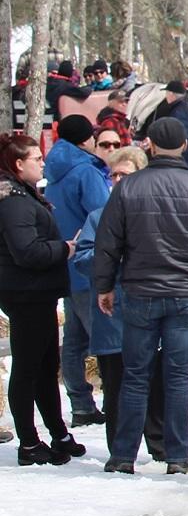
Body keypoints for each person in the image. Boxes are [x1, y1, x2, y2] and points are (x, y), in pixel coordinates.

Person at [93, 116, 188, 474]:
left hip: (141, 292)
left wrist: (105, 286)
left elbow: (108, 244)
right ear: (185, 146)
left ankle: (123, 455)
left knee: (135, 375)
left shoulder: (128, 188)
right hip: (186, 294)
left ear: (149, 146)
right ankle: (178, 454)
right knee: (178, 376)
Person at [0, 133, 84, 465]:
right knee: (28, 367)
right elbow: (27, 251)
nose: (42, 162)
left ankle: (57, 433)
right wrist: (64, 248)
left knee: (46, 366)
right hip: (26, 294)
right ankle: (29, 442)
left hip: (38, 293)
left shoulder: (23, 195)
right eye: (36, 158)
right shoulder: (15, 202)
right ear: (19, 164)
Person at [71, 147, 146, 451]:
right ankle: (119, 448)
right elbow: (83, 258)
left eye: (124, 174)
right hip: (111, 312)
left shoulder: (150, 212)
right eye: (113, 174)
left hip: (147, 309)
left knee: (153, 385)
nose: (117, 180)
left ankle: (160, 445)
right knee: (114, 385)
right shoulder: (98, 216)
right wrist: (110, 261)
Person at [45, 114, 109, 426]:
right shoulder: (85, 171)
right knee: (103, 338)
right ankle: (113, 400)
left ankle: (80, 402)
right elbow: (104, 215)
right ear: (87, 139)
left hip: (65, 264)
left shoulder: (54, 169)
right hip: (88, 263)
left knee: (74, 339)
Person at [151, 81, 188, 175]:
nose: (166, 97)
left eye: (166, 93)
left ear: (171, 94)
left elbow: (175, 139)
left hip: (187, 163)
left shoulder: (178, 112)